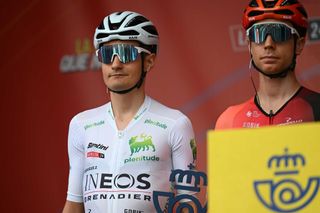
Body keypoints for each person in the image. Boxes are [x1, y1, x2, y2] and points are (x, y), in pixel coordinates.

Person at [62, 11, 197, 213]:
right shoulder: (81, 125)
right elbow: (73, 205)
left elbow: (188, 206)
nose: (116, 64)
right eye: (107, 55)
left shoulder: (175, 124)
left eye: (126, 53)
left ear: (149, 61)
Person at [215, 0, 320, 129]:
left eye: (280, 33)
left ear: (299, 44)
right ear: (249, 44)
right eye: (259, 34)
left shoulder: (316, 109)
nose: (268, 44)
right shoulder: (229, 121)